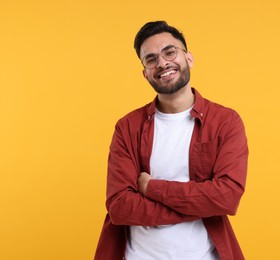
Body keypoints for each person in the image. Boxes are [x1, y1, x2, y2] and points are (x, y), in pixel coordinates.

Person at [94, 21, 249, 260]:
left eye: (170, 52)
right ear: (145, 73)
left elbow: (226, 197)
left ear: (188, 58)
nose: (163, 63)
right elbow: (120, 206)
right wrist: (198, 206)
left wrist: (150, 187)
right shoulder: (127, 127)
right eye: (151, 59)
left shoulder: (225, 122)